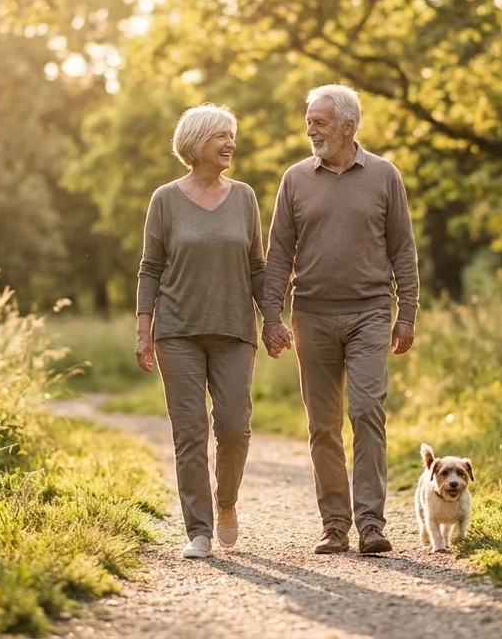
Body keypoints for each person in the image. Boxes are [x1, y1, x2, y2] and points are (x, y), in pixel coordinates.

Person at [261, 84, 419, 555]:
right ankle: (335, 525)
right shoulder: (295, 179)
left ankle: (371, 523)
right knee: (323, 424)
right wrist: (271, 315)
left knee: (367, 409)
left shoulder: (385, 176)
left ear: (348, 127)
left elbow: (403, 250)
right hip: (311, 314)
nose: (311, 128)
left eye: (320, 121)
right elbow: (277, 255)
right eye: (309, 120)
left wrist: (405, 313)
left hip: (370, 312)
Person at [135, 103, 266, 559]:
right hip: (178, 331)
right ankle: (199, 531)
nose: (231, 143)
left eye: (232, 135)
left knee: (234, 427)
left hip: (234, 329)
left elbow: (257, 266)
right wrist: (143, 329)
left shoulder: (245, 196)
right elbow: (150, 268)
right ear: (196, 143)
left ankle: (226, 502)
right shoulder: (165, 199)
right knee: (188, 432)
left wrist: (274, 318)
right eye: (221, 136)